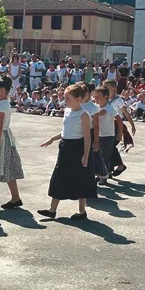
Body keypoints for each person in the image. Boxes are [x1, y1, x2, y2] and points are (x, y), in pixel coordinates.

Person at [39, 83, 97, 220]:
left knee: (81, 178)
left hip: (78, 149)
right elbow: (66, 131)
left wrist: (86, 155)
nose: (65, 101)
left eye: (68, 98)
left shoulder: (84, 115)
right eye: (64, 98)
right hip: (65, 148)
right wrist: (52, 139)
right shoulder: (66, 111)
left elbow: (87, 137)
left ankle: (82, 211)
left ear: (78, 99)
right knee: (59, 177)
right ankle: (52, 210)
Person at [0, 76, 25, 208]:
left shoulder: (2, 105)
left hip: (0, 138)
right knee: (4, 168)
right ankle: (15, 197)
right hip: (3, 137)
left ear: (2, 91)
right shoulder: (3, 103)